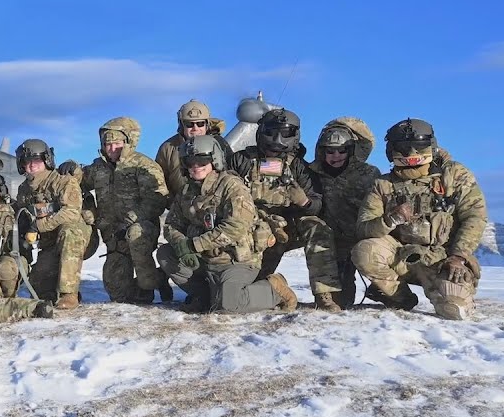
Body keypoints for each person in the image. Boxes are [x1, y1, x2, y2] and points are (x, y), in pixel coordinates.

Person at [353, 118, 487, 320]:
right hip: (401, 255)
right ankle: (400, 298)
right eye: (404, 147)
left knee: (454, 310)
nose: (412, 153)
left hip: (444, 259)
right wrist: (390, 220)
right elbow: (363, 229)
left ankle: (453, 290)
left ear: (430, 146)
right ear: (392, 150)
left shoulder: (454, 175)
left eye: (419, 146)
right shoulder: (383, 184)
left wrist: (459, 256)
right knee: (365, 252)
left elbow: (475, 217)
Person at [158, 135, 298, 313]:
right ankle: (203, 296)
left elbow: (235, 228)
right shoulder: (186, 191)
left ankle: (274, 289)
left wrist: (193, 245)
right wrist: (181, 245)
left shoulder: (231, 186)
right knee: (165, 254)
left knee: (229, 305)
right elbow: (171, 225)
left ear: (214, 160)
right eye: (190, 161)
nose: (195, 166)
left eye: (202, 161)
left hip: (233, 260)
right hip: (203, 258)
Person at [228, 107, 344, 311]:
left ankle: (325, 294)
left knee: (317, 228)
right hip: (250, 229)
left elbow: (317, 205)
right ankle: (272, 285)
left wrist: (304, 202)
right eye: (271, 131)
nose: (277, 139)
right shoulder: (242, 160)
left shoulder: (299, 167)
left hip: (288, 228)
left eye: (285, 133)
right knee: (249, 284)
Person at [82, 116, 170, 304]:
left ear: (128, 142)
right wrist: (71, 169)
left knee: (144, 287)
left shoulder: (143, 165)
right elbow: (75, 184)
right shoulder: (98, 168)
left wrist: (131, 219)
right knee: (118, 293)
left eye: (117, 143)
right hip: (114, 237)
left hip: (140, 231)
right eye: (108, 144)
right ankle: (140, 283)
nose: (112, 149)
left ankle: (156, 280)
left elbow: (157, 199)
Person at [306, 117, 382, 308]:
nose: (336, 155)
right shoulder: (311, 172)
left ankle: (388, 291)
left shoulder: (369, 174)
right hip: (329, 243)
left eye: (342, 150)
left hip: (361, 238)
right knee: (342, 301)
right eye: (330, 151)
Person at [14, 138, 92, 309]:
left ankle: (69, 294)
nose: (32, 166)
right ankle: (57, 290)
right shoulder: (24, 190)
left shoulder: (63, 181)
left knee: (69, 232)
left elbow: (71, 213)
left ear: (47, 160)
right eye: (27, 162)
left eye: (36, 161)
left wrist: (39, 226)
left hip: (76, 238)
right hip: (50, 244)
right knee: (39, 287)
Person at [155, 99, 232, 198]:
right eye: (189, 124)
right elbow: (159, 182)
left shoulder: (219, 144)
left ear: (207, 124)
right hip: (181, 207)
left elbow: (231, 173)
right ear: (182, 125)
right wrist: (175, 205)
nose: (195, 128)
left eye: (200, 124)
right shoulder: (168, 148)